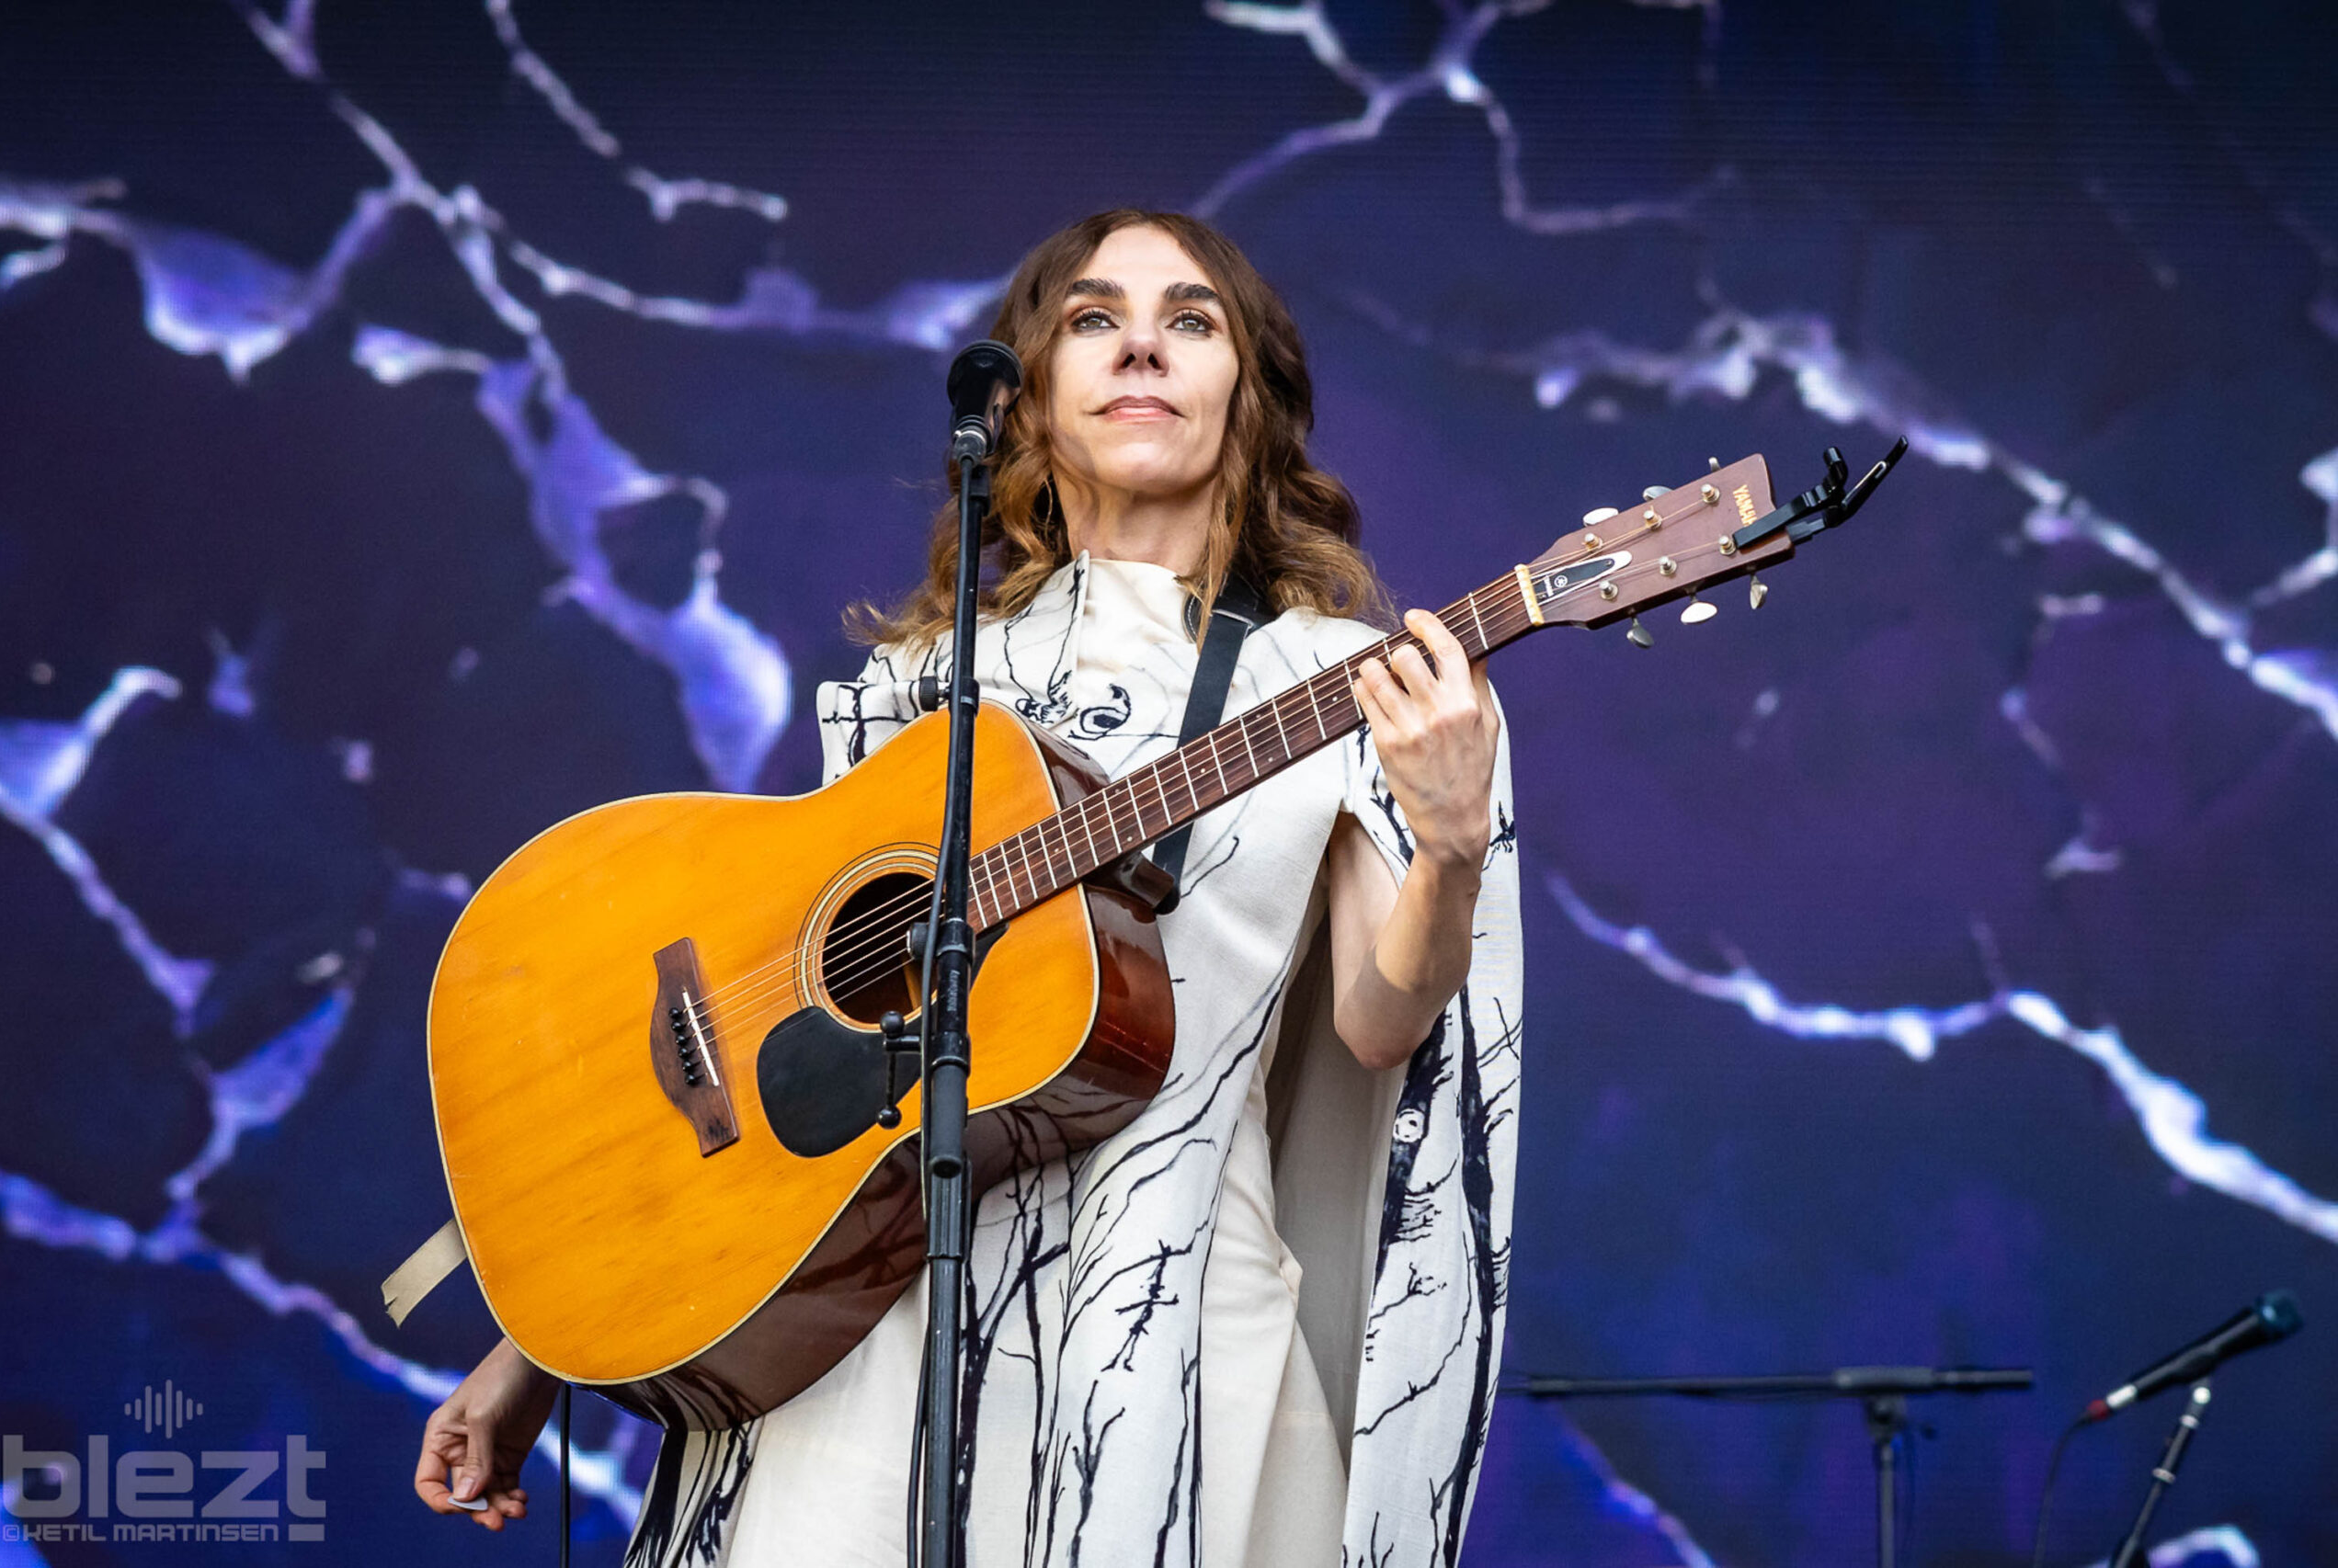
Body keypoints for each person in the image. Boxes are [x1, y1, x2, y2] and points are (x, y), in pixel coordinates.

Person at [416, 209, 1523, 1568]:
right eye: (1092, 320)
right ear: (1030, 399)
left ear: (1250, 393)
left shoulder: (1347, 681)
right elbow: (759, 1032)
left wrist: (1454, 839)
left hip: (1160, 1328)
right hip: (873, 1329)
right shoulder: (918, 690)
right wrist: (536, 1342)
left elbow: (1375, 1020)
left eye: (1191, 321)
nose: (1141, 348)